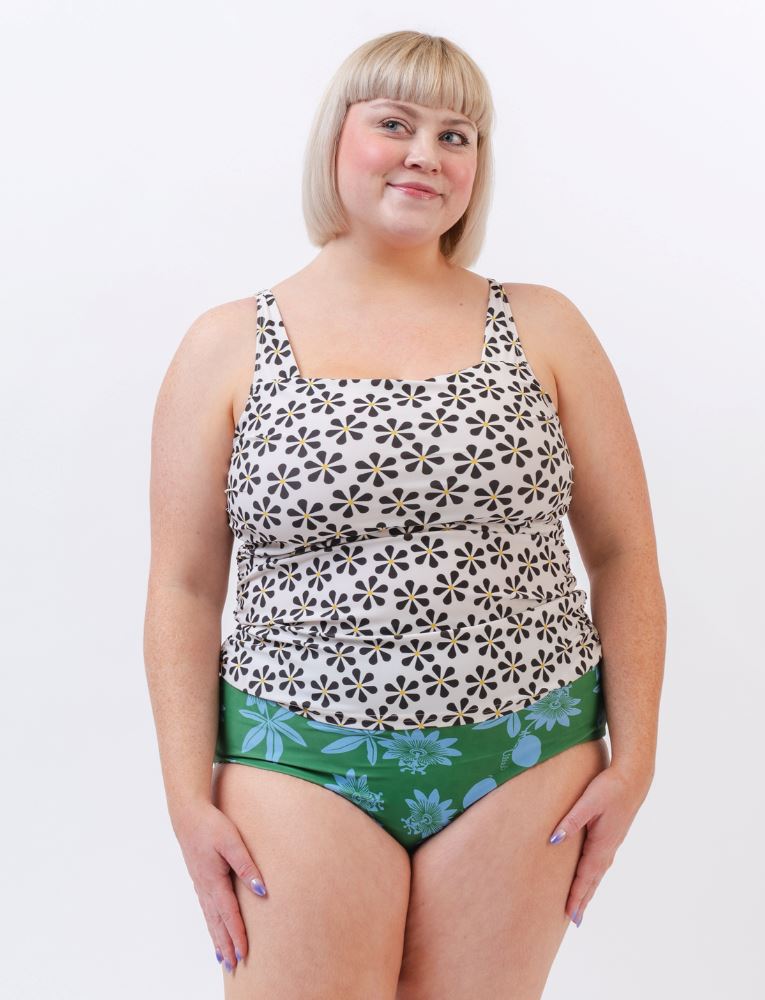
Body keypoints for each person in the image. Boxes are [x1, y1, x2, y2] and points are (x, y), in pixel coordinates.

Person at [143, 28, 666, 999]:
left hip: (523, 754)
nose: (426, 152)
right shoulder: (223, 347)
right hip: (296, 757)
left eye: (456, 135)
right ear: (336, 140)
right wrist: (185, 796)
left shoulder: (543, 326)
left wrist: (634, 757)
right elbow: (181, 585)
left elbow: (623, 550)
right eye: (394, 122)